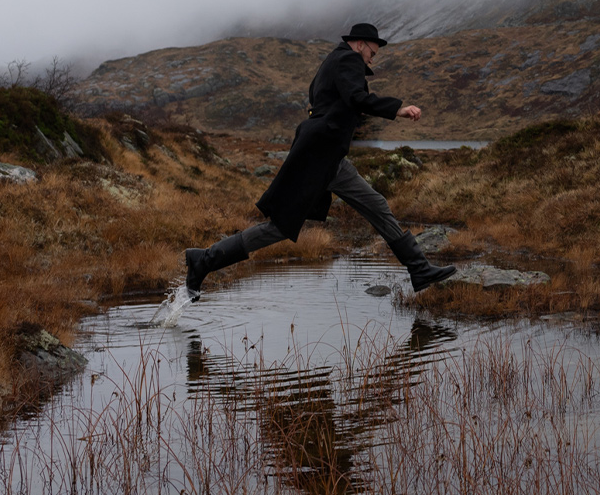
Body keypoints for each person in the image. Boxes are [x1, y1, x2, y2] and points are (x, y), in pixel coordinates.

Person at [181, 22, 459, 299]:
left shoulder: (333, 61)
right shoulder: (348, 58)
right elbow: (356, 97)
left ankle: (419, 269)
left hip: (326, 156)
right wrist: (398, 109)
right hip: (319, 156)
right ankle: (204, 260)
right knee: (280, 227)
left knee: (372, 205)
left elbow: (319, 96)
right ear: (360, 43)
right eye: (373, 51)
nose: (374, 57)